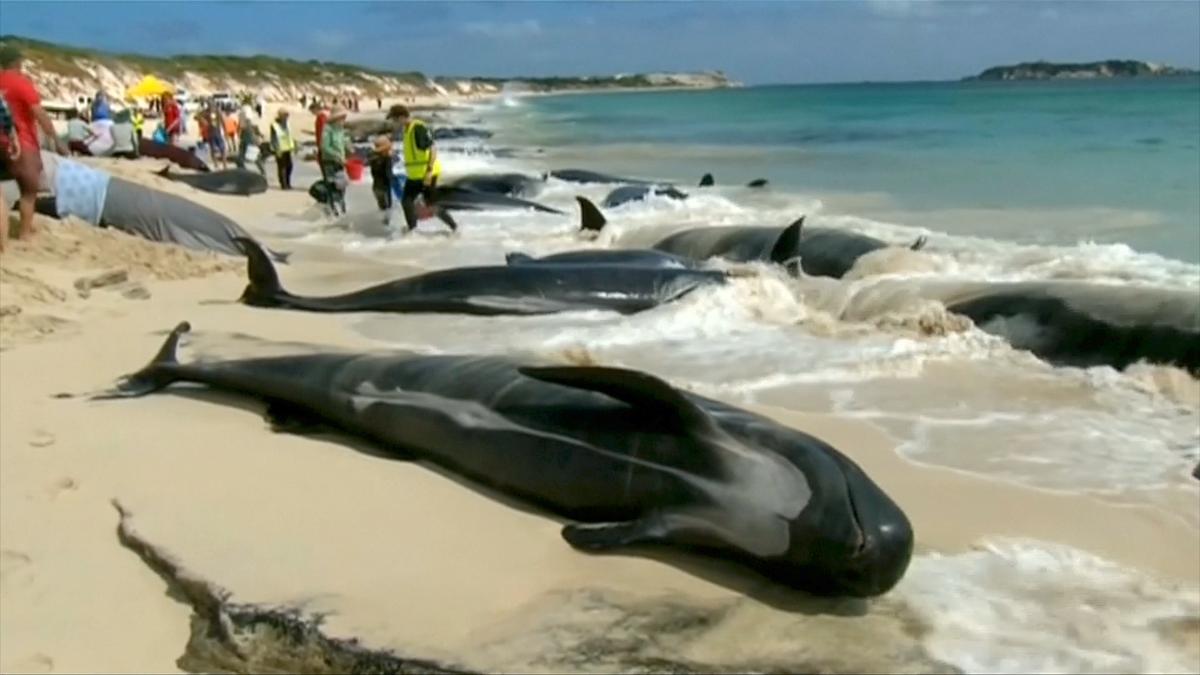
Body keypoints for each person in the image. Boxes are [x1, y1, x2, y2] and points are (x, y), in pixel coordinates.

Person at [0, 44, 67, 252]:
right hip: (22, 143)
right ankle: (24, 233)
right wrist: (56, 140)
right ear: (17, 62)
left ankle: (4, 239)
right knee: (29, 192)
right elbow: (40, 114)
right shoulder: (22, 83)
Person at [385, 104, 456, 232]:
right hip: (414, 175)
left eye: (394, 120)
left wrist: (429, 172)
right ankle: (413, 230)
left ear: (401, 117)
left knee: (430, 204)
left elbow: (432, 148)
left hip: (426, 174)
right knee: (407, 201)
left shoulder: (417, 128)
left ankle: (454, 227)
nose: (394, 123)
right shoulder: (407, 130)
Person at [319, 105, 348, 216]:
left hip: (340, 162)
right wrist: (337, 156)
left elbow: (342, 142)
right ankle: (334, 210)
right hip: (329, 162)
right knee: (332, 185)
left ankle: (341, 208)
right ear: (336, 118)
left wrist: (348, 146)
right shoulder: (328, 129)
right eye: (342, 118)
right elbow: (325, 147)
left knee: (342, 185)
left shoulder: (340, 129)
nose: (343, 121)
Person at [269, 108, 295, 190]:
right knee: (282, 167)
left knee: (289, 166)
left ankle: (288, 182)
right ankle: (284, 184)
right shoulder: (274, 125)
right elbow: (273, 138)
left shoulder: (287, 123)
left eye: (287, 116)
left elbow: (289, 135)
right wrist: (276, 149)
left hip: (288, 147)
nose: (286, 117)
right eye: (285, 115)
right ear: (280, 116)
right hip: (279, 148)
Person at [368, 135, 394, 214]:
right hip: (383, 187)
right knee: (387, 208)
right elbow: (387, 174)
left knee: (383, 208)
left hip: (377, 187)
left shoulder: (373, 156)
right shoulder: (384, 158)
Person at [236, 105, 265, 175]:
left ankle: (244, 172)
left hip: (249, 142)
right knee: (255, 159)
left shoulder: (245, 123)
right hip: (249, 142)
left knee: (247, 158)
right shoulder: (250, 123)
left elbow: (240, 132)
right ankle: (261, 172)